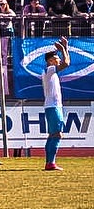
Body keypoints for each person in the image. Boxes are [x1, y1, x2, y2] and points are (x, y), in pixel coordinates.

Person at [41, 37, 69, 171]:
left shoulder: (50, 71)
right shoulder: (50, 69)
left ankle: (49, 162)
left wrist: (65, 47)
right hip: (53, 106)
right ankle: (50, 163)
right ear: (51, 61)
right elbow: (67, 63)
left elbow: (65, 62)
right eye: (57, 57)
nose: (59, 60)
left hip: (52, 106)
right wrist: (63, 49)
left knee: (53, 134)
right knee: (57, 134)